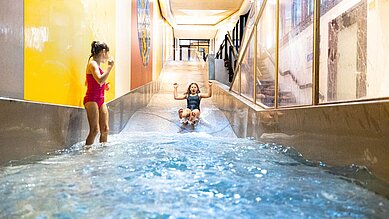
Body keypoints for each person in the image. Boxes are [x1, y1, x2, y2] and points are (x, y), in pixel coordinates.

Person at [83, 41, 114, 146]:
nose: (108, 56)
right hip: (91, 99)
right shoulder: (92, 64)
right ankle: (87, 152)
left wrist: (105, 86)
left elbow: (92, 82)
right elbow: (100, 80)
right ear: (103, 52)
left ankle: (102, 154)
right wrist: (109, 67)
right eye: (107, 53)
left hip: (101, 99)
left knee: (105, 129)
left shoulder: (98, 66)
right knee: (95, 130)